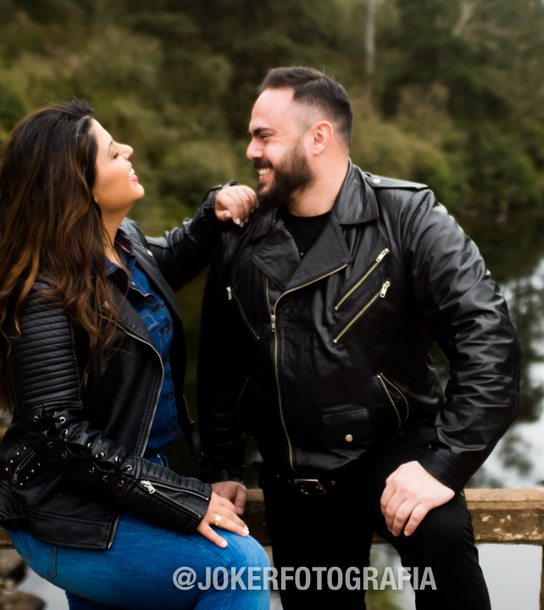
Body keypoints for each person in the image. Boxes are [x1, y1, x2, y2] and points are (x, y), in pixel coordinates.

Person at [198, 68, 520, 609]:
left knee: (440, 537)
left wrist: (444, 463)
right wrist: (222, 467)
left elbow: (488, 337)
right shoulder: (239, 235)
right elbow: (219, 367)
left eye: (264, 136)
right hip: (294, 473)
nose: (250, 150)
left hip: (393, 449)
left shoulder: (409, 215)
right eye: (252, 136)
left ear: (318, 137)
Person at [0, 99, 268, 610]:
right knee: (238, 567)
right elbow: (57, 433)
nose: (127, 149)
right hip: (70, 509)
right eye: (112, 152)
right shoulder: (42, 294)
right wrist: (183, 498)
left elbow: (167, 260)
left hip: (127, 485)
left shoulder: (121, 242)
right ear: (80, 187)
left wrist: (212, 212)